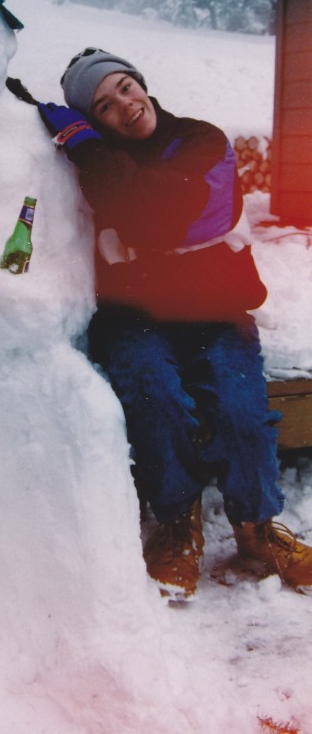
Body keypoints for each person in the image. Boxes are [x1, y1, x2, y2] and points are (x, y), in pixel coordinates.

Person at [37, 47, 312, 601]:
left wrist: (93, 153)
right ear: (93, 118)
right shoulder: (97, 160)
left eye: (124, 87)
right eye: (104, 106)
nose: (125, 106)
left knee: (240, 408)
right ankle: (175, 525)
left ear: (141, 82)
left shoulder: (200, 140)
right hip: (133, 316)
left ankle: (257, 529)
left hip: (216, 310)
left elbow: (164, 211)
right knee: (154, 395)